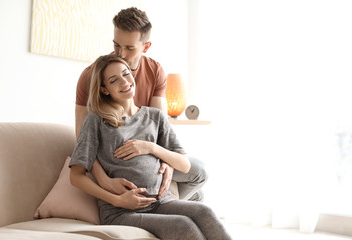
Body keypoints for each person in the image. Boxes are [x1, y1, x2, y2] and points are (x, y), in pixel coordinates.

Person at [70, 55, 231, 240]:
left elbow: (184, 165)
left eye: (126, 74)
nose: (124, 82)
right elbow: (76, 176)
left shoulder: (155, 117)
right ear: (104, 89)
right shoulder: (96, 120)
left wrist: (151, 147)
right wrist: (117, 199)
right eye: (114, 80)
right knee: (183, 226)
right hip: (121, 211)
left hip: (160, 202)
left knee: (205, 212)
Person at [75, 7, 207, 204]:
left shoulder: (155, 70)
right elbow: (81, 137)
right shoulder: (91, 76)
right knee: (197, 197)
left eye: (129, 48)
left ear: (145, 47)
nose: (120, 53)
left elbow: (162, 129)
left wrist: (168, 162)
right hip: (116, 160)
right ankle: (171, 206)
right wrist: (104, 180)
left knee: (199, 173)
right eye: (116, 45)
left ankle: (170, 203)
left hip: (148, 153)